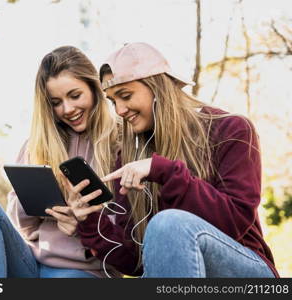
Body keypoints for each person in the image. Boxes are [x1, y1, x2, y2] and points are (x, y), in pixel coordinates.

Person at [66, 42, 279, 278]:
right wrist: (90, 220)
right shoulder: (130, 156)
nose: (120, 110)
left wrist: (165, 172)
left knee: (167, 224)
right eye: (113, 101)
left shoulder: (230, 129)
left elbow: (235, 223)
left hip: (246, 270)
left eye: (125, 96)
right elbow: (137, 262)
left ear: (158, 88)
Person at [0, 46, 120, 278]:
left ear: (94, 89)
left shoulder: (120, 144)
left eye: (75, 96)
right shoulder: (37, 145)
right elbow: (23, 226)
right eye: (55, 102)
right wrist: (36, 201)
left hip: (85, 271)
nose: (67, 109)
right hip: (31, 262)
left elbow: (128, 234)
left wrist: (83, 224)